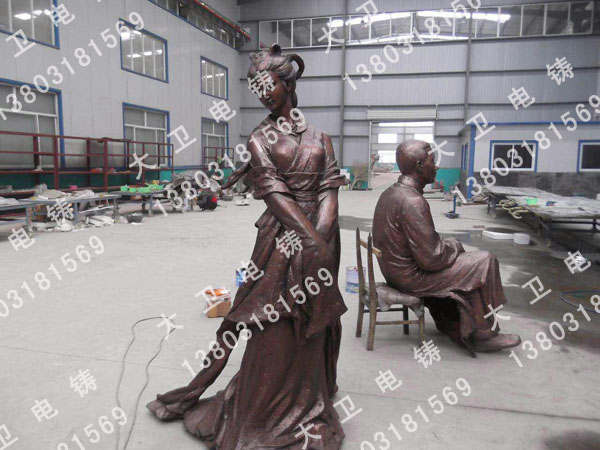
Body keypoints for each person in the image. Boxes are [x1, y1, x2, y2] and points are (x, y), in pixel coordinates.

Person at [147, 44, 348, 449]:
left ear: (287, 83)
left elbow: (329, 189)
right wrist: (310, 239)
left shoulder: (321, 137)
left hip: (323, 236)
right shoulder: (259, 138)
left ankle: (309, 395)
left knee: (315, 317)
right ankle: (264, 409)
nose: (263, 94)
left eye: (268, 85)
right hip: (283, 235)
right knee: (273, 318)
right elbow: (274, 193)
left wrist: (323, 239)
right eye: (257, 89)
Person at [372, 140, 521, 355]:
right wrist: (454, 245)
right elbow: (432, 259)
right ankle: (483, 334)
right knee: (484, 261)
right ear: (419, 166)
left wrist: (447, 246)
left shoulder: (391, 193)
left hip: (395, 271)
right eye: (432, 160)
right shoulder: (412, 201)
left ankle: (460, 323)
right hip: (410, 277)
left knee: (471, 264)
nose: (436, 166)